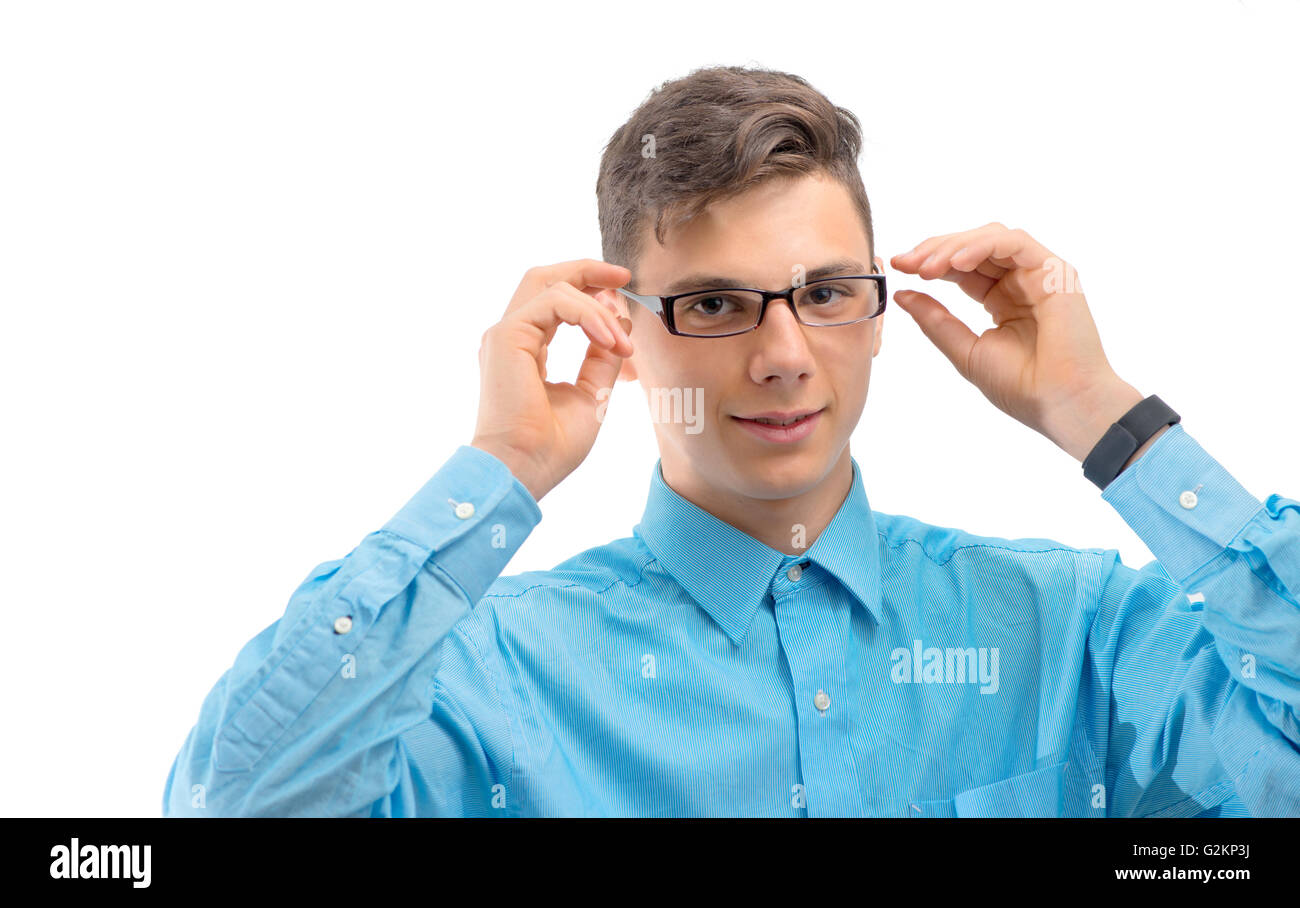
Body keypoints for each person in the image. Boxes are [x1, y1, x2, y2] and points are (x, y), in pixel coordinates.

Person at [162, 65, 1300, 817]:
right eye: (714, 305)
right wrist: (496, 473)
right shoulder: (486, 672)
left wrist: (1108, 420)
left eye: (824, 291)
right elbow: (237, 804)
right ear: (624, 330)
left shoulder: (1077, 629)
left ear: (877, 307)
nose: (784, 353)